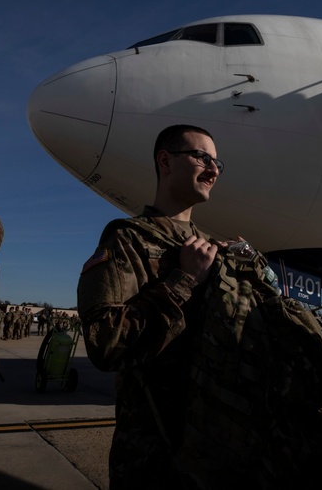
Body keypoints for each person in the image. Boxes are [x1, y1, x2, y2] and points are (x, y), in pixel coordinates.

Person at [77, 124, 227, 489]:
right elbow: (105, 344)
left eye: (218, 162)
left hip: (215, 446)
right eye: (202, 157)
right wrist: (184, 281)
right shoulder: (127, 238)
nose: (213, 169)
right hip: (155, 454)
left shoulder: (214, 248)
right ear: (165, 160)